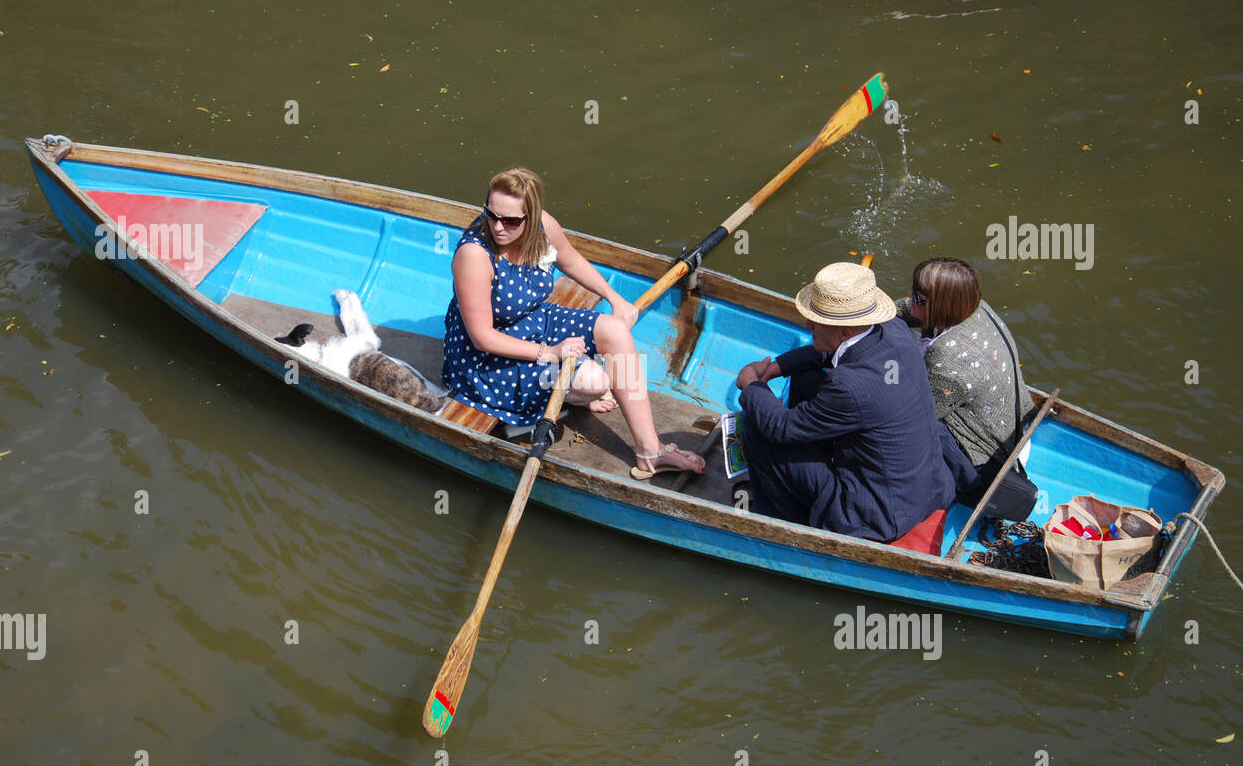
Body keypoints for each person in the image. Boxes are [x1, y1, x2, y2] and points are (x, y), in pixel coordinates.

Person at [442, 167, 704, 479]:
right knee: (596, 381)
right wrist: (550, 352)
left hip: (536, 320)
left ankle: (650, 450)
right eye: (491, 214)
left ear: (532, 215)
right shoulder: (474, 254)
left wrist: (614, 298)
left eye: (511, 221)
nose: (498, 227)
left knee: (614, 330)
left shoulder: (543, 227)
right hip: (489, 357)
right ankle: (579, 394)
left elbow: (571, 260)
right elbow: (482, 337)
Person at [734, 262, 975, 542]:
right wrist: (777, 367)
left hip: (875, 514)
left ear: (845, 331)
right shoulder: (895, 329)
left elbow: (781, 427)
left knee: (758, 428)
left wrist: (751, 385)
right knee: (805, 379)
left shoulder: (850, 387)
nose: (807, 325)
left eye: (816, 321)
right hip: (926, 487)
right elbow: (827, 353)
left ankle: (784, 524)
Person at [894, 257, 1034, 500]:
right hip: (1011, 425)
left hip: (985, 455)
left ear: (939, 307)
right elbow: (911, 308)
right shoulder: (971, 306)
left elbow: (912, 414)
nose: (910, 297)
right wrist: (879, 310)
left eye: (918, 297)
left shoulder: (950, 359)